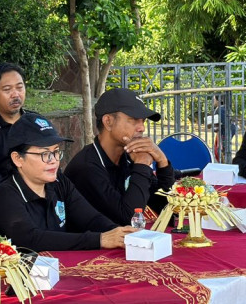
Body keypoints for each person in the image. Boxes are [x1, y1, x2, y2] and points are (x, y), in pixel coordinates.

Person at [0, 113, 134, 251]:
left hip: (57, 269)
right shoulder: (5, 195)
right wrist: (99, 239)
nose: (53, 161)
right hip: (16, 276)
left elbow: (91, 218)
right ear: (18, 159)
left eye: (55, 152)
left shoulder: (59, 181)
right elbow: (31, 240)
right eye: (44, 154)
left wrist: (120, 234)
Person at [64, 88, 175, 225]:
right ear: (108, 122)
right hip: (87, 245)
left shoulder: (128, 157)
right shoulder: (86, 168)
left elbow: (168, 210)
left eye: (143, 121)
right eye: (133, 120)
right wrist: (142, 165)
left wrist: (162, 162)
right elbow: (128, 219)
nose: (142, 128)